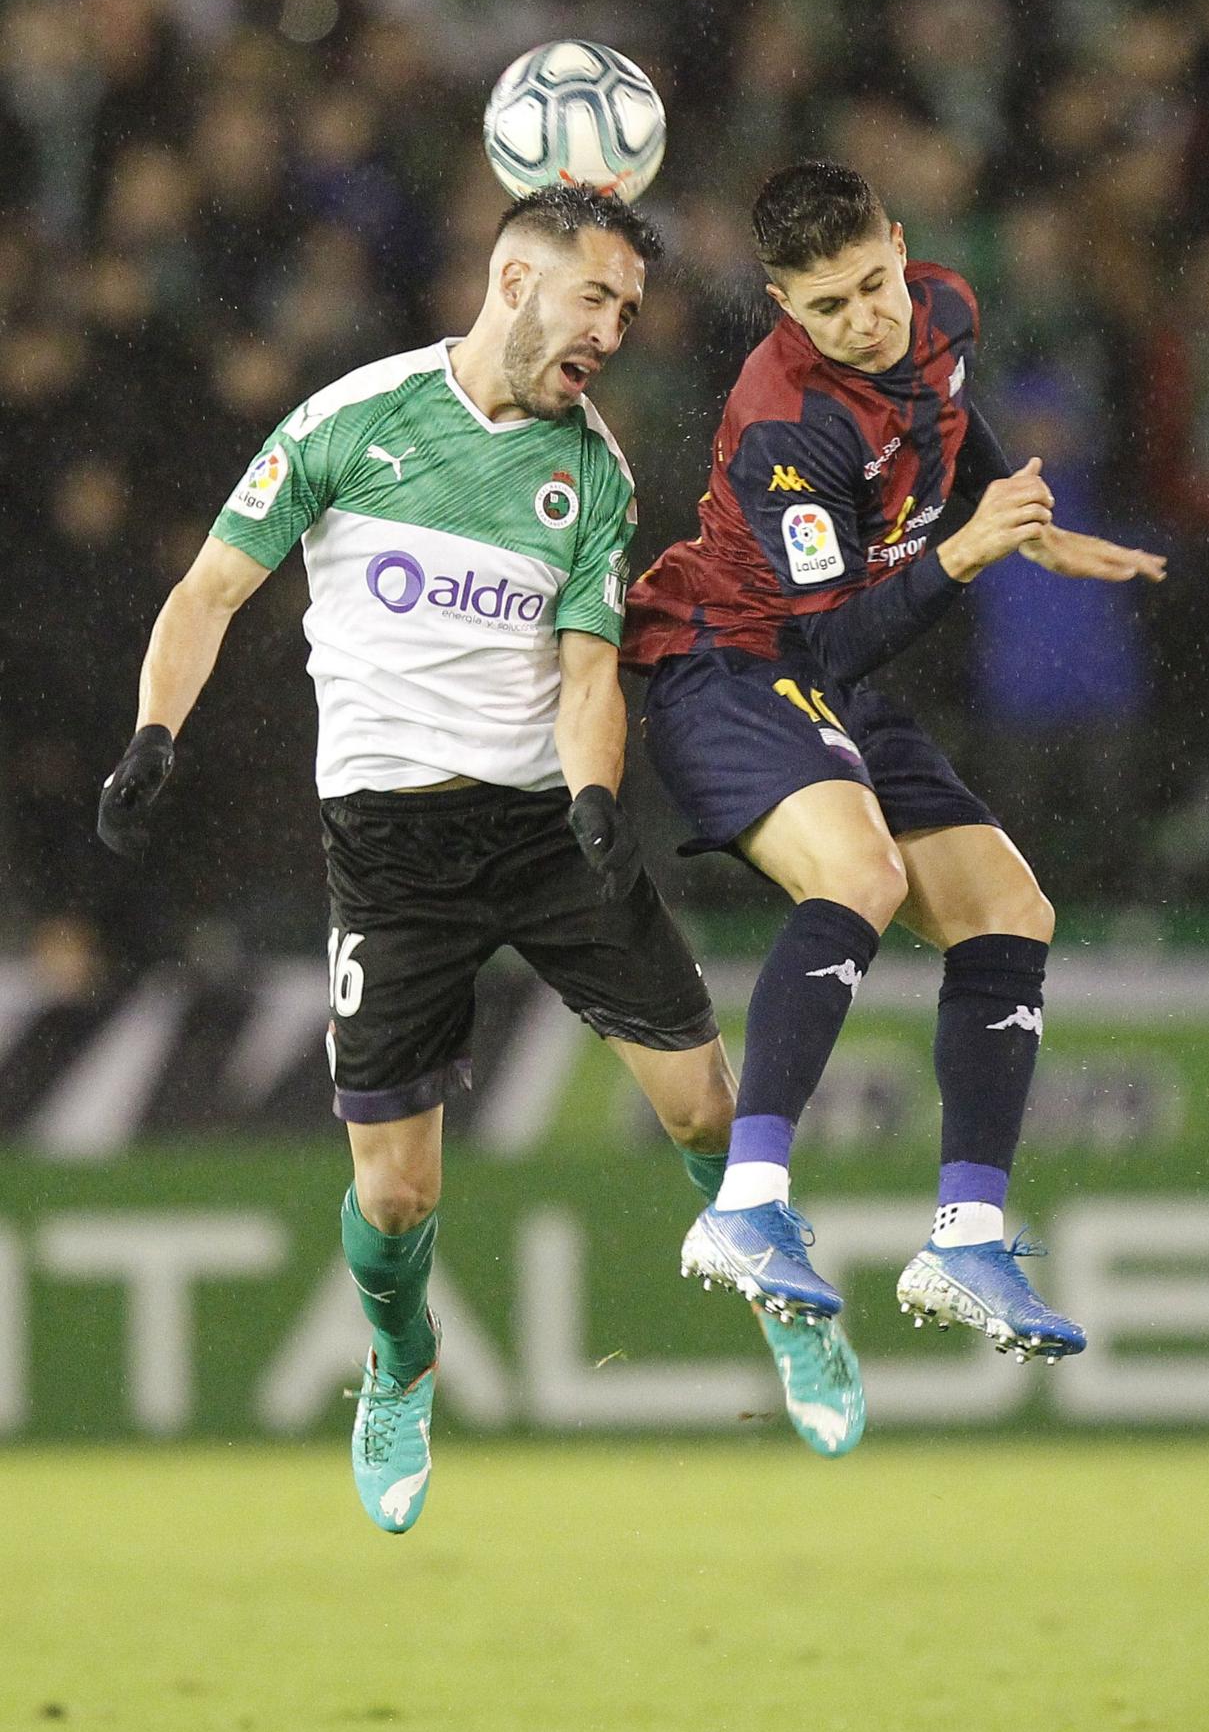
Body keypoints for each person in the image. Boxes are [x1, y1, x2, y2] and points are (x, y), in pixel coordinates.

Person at [97, 184, 863, 1539]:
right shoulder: (350, 420)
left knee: (701, 1107)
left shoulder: (596, 475)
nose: (616, 329)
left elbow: (583, 672)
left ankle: (787, 1300)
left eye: (629, 309)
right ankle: (399, 1369)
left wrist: (589, 795)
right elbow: (210, 589)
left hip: (539, 831)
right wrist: (155, 732)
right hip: (389, 853)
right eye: (597, 298)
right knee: (395, 1187)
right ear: (515, 280)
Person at [625, 161, 1167, 1365]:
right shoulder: (787, 420)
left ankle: (967, 1237)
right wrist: (970, 554)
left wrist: (1037, 529)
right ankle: (748, 1207)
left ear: (902, 251)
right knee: (858, 873)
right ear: (781, 305)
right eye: (827, 307)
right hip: (728, 663)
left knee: (1012, 912)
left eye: (874, 285)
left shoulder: (946, 312)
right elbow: (829, 635)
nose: (863, 319)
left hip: (831, 683)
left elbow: (948, 426)